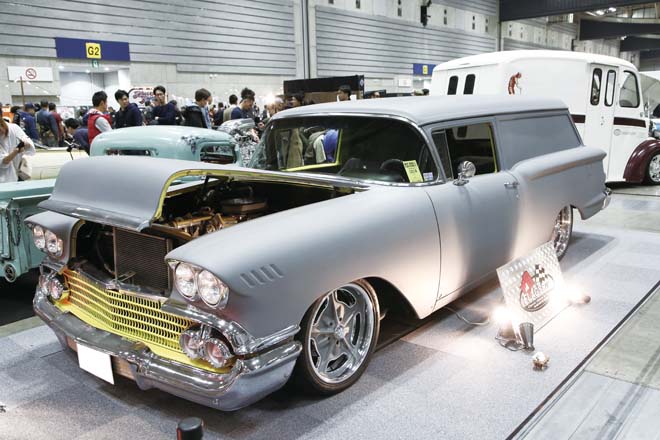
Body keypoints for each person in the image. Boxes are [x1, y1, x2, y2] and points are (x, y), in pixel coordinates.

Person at [0, 117, 35, 182]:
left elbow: (28, 142)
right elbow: (4, 161)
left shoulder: (14, 128)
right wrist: (16, 151)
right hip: (5, 177)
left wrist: (25, 144)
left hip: (19, 170)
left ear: (2, 124)